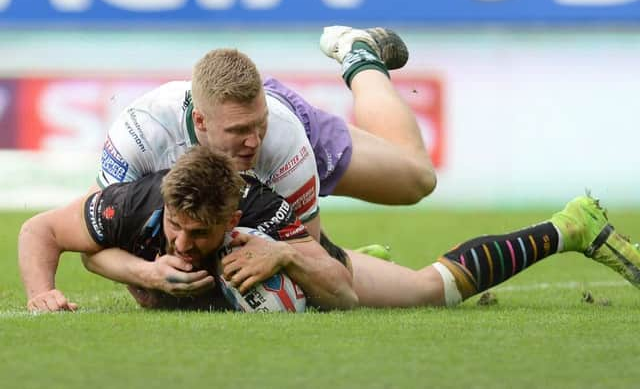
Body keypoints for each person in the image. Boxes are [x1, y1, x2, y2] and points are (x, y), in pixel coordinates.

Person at [19, 147, 640, 312]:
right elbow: (40, 233)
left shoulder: (265, 217)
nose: (181, 245)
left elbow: (340, 295)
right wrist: (42, 292)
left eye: (197, 238)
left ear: (231, 222)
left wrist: (285, 258)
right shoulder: (136, 201)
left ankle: (570, 227)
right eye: (175, 231)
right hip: (283, 266)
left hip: (314, 262)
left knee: (430, 293)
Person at [97, 26, 436, 243]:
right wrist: (146, 273)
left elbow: (307, 249)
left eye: (258, 127)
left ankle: (359, 55)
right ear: (200, 121)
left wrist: (326, 259)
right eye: (240, 131)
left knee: (418, 180)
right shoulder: (140, 133)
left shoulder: (281, 135)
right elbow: (94, 238)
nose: (253, 141)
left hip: (291, 128)